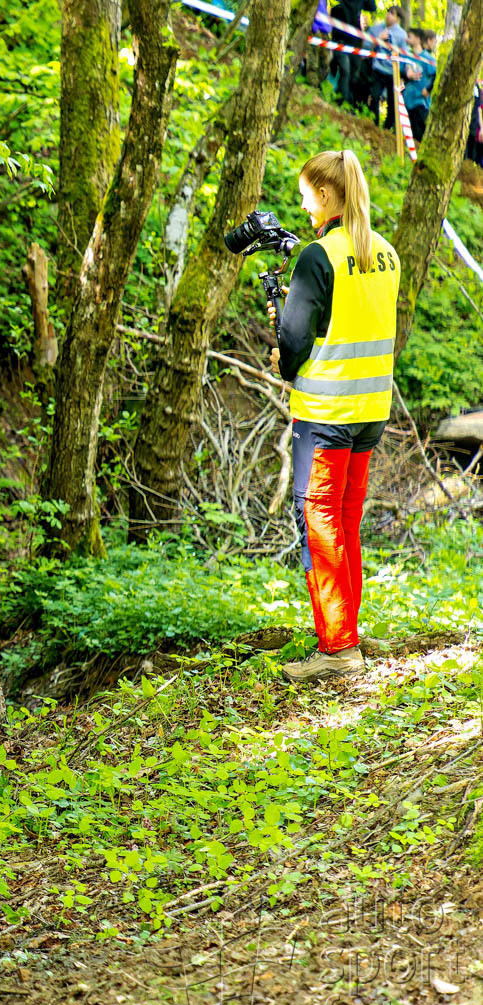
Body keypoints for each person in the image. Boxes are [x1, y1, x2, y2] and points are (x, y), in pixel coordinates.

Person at [266, 149, 397, 682]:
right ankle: (349, 632)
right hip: (371, 411)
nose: (303, 207)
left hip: (325, 414)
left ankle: (338, 649)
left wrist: (281, 355)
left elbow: (294, 345)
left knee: (320, 523)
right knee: (345, 521)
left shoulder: (319, 257)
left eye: (306, 196)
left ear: (325, 194)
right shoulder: (385, 252)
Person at [368, 8, 409, 129]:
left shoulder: (402, 35)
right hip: (378, 68)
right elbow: (366, 46)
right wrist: (378, 39)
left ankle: (387, 128)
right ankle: (374, 125)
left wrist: (405, 71)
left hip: (393, 72)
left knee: (393, 102)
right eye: (388, 12)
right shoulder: (376, 28)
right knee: (374, 96)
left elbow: (405, 55)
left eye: (392, 14)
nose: (388, 15)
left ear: (398, 18)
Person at [403, 29, 436, 141]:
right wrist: (407, 73)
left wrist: (428, 89)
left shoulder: (427, 58)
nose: (407, 39)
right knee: (409, 133)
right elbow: (400, 71)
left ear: (418, 39)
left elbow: (435, 75)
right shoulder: (407, 55)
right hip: (407, 99)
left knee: (420, 133)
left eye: (410, 36)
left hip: (421, 101)